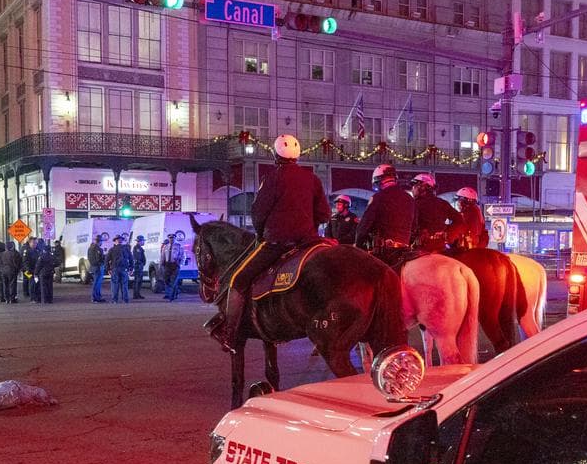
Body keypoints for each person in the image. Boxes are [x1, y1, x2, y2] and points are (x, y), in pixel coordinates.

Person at [207, 134, 330, 354]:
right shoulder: (313, 179)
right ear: (298, 155)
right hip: (309, 241)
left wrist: (263, 233)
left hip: (278, 243)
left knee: (238, 279)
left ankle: (229, 334)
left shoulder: (272, 178)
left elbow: (258, 212)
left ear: (275, 155)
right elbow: (324, 214)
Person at [355, 163, 415, 267]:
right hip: (405, 250)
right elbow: (414, 224)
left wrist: (358, 245)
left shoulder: (378, 197)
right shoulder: (409, 198)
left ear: (378, 181)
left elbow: (364, 225)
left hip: (383, 253)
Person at [410, 173, 466, 252]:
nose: (412, 189)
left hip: (420, 247)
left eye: (414, 186)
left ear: (422, 187)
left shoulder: (414, 204)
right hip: (440, 246)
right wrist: (446, 231)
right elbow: (459, 220)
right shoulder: (442, 203)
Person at [107, 234, 132, 303]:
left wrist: (108, 269)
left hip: (115, 269)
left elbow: (107, 260)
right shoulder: (126, 249)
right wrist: (131, 268)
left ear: (115, 241)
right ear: (122, 241)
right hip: (124, 269)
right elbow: (131, 259)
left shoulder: (112, 249)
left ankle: (115, 300)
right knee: (124, 285)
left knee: (115, 285)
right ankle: (125, 299)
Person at [163, 231, 185, 301]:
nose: (171, 239)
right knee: (166, 280)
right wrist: (161, 263)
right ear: (168, 239)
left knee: (173, 281)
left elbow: (183, 256)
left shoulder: (179, 246)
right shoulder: (166, 246)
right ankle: (175, 293)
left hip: (175, 265)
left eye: (173, 238)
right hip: (167, 265)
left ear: (175, 238)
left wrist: (180, 264)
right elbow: (163, 256)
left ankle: (171, 297)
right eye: (170, 238)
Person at [87, 235, 107, 303]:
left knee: (96, 283)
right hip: (98, 267)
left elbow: (89, 258)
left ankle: (97, 297)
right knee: (97, 283)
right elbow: (99, 259)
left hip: (93, 267)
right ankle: (95, 297)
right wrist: (104, 258)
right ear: (100, 241)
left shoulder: (90, 248)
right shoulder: (98, 249)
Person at [131, 235, 147, 299]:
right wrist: (141, 263)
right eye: (143, 241)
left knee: (139, 281)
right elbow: (137, 258)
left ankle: (137, 294)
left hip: (140, 266)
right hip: (138, 266)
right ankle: (136, 295)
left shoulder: (140, 248)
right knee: (137, 281)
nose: (144, 242)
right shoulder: (136, 248)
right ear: (139, 241)